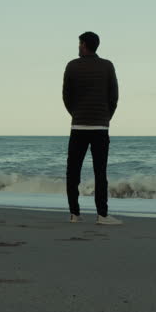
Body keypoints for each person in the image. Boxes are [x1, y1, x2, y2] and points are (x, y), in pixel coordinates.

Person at [62, 31, 122, 225]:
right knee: (100, 172)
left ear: (85, 45)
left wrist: (76, 114)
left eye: (80, 44)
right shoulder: (107, 66)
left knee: (73, 171)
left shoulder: (72, 66)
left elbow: (66, 96)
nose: (78, 47)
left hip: (78, 126)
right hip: (100, 127)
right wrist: (106, 117)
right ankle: (102, 215)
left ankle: (74, 214)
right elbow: (113, 96)